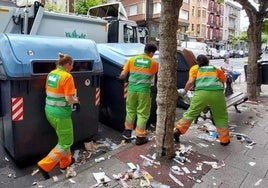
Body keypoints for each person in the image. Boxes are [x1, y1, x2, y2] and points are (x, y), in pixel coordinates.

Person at [37, 53, 79, 179]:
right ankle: (44, 165)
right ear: (67, 64)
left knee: (63, 139)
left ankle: (66, 162)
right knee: (66, 142)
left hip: (49, 111)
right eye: (71, 66)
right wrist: (77, 101)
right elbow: (69, 98)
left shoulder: (52, 74)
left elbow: (49, 91)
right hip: (61, 114)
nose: (72, 68)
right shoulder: (67, 76)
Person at [174, 54, 230, 146]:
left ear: (197, 62)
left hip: (201, 94)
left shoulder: (194, 68)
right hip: (217, 93)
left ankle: (179, 130)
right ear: (208, 62)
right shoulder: (215, 69)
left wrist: (184, 90)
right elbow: (223, 80)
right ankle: (224, 140)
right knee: (221, 115)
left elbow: (191, 82)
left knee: (191, 113)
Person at [119, 43, 158, 145]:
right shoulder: (153, 63)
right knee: (142, 113)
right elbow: (152, 77)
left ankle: (127, 132)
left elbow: (123, 75)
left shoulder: (132, 59)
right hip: (144, 91)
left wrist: (120, 79)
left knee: (130, 110)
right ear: (151, 52)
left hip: (131, 89)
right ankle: (140, 137)